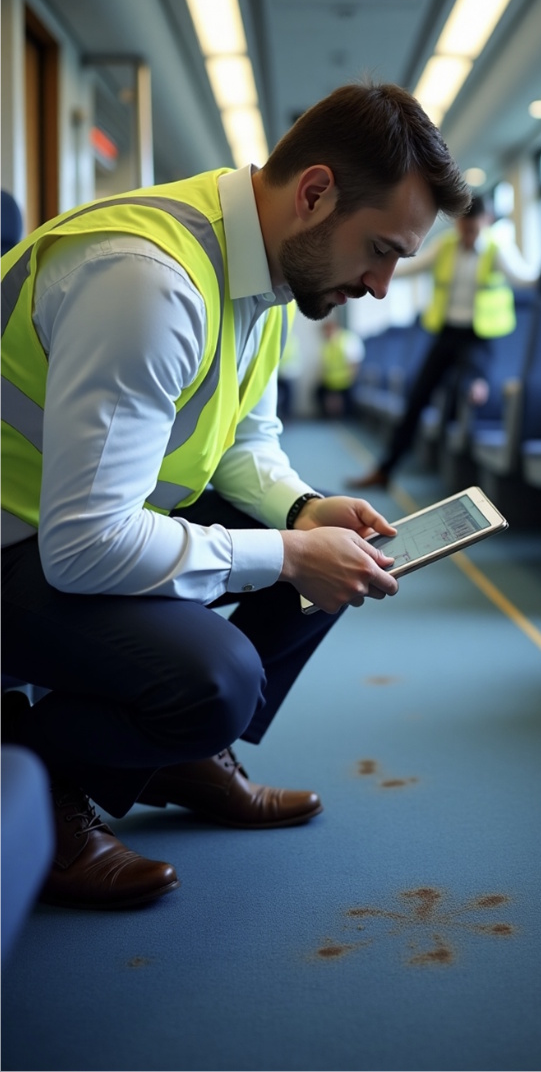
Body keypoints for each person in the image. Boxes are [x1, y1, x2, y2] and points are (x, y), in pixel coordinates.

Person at [0, 80, 471, 910]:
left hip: (61, 523)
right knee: (215, 679)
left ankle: (174, 757)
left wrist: (300, 514)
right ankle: (44, 781)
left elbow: (246, 440)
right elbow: (83, 546)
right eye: (382, 249)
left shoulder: (268, 265)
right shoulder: (147, 285)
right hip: (24, 541)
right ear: (316, 193)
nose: (382, 285)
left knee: (342, 555)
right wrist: (287, 553)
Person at [347, 194, 537, 488]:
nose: (468, 234)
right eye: (464, 227)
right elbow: (412, 267)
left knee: (467, 385)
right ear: (458, 222)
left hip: (479, 336)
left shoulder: (497, 251)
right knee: (418, 396)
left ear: (486, 222)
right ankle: (385, 470)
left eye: (474, 229)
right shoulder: (445, 247)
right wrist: (371, 267)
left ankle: (474, 392)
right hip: (447, 333)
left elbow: (524, 279)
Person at [315, 318, 365, 419]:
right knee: (318, 392)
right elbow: (325, 366)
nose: (325, 334)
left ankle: (346, 418)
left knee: (348, 398)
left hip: (346, 381)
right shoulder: (327, 344)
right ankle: (329, 416)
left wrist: (350, 379)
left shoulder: (348, 340)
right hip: (331, 381)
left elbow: (354, 363)